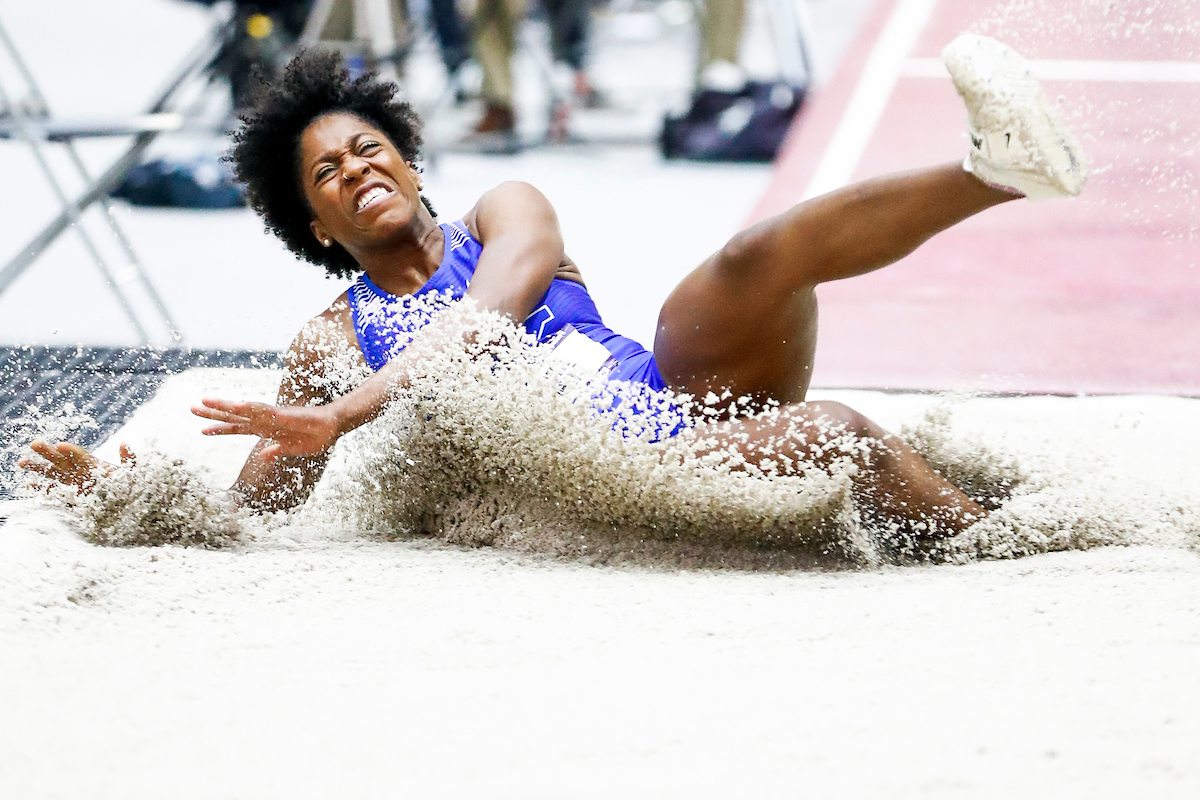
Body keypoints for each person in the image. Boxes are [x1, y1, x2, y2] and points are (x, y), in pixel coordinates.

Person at [21, 36, 1088, 541]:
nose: (357, 170)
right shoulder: (330, 340)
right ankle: (1005, 545)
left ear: (408, 160)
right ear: (319, 225)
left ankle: (994, 170)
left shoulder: (505, 212)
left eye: (367, 149)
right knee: (836, 428)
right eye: (329, 175)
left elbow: (489, 314)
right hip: (634, 470)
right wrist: (119, 497)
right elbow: (252, 509)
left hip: (683, 390)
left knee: (747, 260)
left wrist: (351, 409)